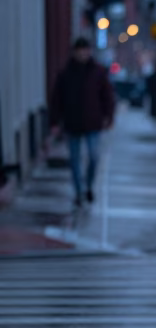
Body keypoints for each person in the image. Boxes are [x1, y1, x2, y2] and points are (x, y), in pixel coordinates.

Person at [50, 37, 115, 207]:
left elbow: (107, 96)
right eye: (80, 50)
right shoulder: (65, 73)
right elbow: (57, 99)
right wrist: (55, 121)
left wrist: (109, 116)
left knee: (94, 156)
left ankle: (87, 186)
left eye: (85, 50)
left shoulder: (97, 72)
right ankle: (79, 191)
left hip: (92, 122)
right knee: (74, 159)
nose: (83, 54)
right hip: (72, 122)